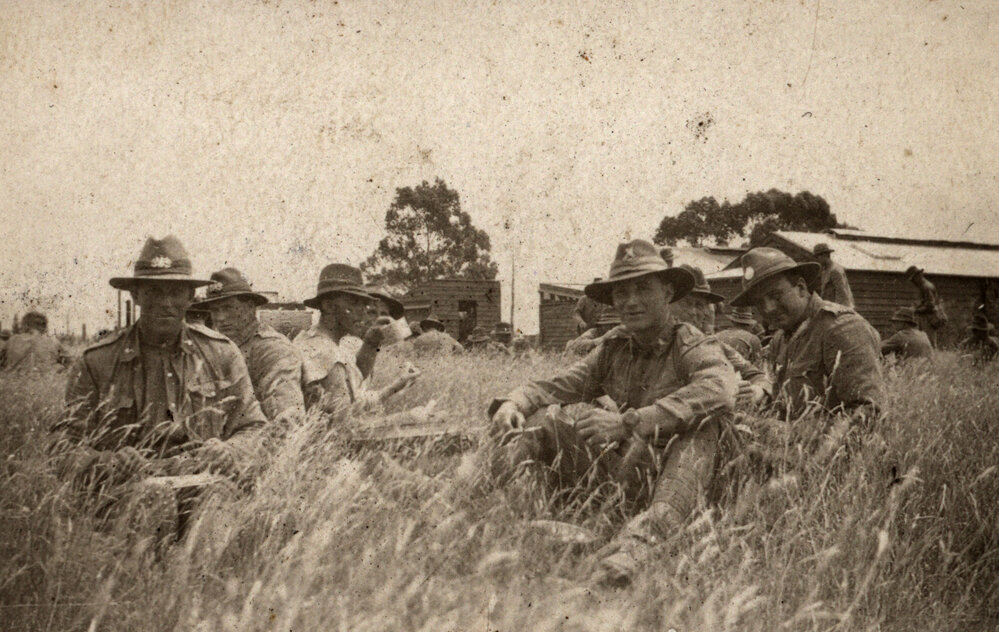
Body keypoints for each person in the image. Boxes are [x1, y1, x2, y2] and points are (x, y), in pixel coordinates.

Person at [488, 239, 738, 586]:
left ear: (667, 292)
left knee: (702, 429)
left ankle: (637, 548)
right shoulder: (614, 347)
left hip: (688, 486)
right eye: (621, 293)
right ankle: (480, 508)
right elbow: (555, 385)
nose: (630, 301)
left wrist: (628, 422)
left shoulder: (692, 345)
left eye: (643, 289)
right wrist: (513, 403)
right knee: (544, 419)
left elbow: (720, 390)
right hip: (631, 478)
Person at [55, 236, 268, 549]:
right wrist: (108, 461)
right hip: (128, 496)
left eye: (175, 291)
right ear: (136, 295)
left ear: (190, 296)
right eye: (155, 291)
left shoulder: (222, 354)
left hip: (206, 488)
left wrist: (230, 451)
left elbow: (255, 429)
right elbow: (61, 449)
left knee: (212, 518)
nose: (165, 302)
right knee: (150, 505)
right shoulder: (96, 362)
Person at [730, 248, 884, 420]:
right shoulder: (780, 339)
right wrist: (761, 396)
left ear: (801, 287)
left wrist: (779, 432)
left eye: (776, 295)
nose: (768, 308)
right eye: (759, 303)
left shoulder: (842, 328)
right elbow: (786, 401)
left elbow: (867, 415)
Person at [294, 264, 417, 417]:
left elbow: (354, 400)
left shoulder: (318, 340)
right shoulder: (326, 354)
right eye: (353, 302)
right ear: (328, 306)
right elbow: (346, 429)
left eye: (363, 303)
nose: (362, 310)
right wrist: (407, 417)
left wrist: (372, 343)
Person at [192, 268, 305, 424]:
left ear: (251, 307)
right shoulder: (216, 348)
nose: (220, 318)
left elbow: (288, 419)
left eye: (228, 308)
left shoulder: (272, 349)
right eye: (214, 310)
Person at [1, 310, 70, 371]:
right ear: (44, 327)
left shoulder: (12, 340)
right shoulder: (54, 342)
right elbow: (70, 363)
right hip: (46, 382)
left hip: (14, 382)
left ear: (25, 325)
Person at [906, 265, 947, 347]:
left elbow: (930, 305)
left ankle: (932, 359)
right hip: (925, 317)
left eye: (913, 279)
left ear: (918, 276)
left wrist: (916, 310)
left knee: (929, 341)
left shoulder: (926, 287)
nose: (913, 282)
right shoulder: (923, 286)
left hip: (929, 318)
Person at [813, 243, 854, 308]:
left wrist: (838, 311)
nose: (817, 260)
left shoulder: (835, 270)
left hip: (838, 309)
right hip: (829, 308)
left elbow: (842, 294)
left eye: (817, 257)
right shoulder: (824, 271)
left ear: (824, 255)